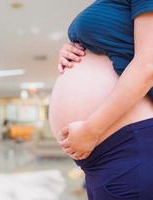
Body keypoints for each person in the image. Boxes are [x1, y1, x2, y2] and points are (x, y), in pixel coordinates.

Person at [49, 1, 153, 200]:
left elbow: (149, 65)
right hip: (107, 158)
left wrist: (92, 129)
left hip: (131, 148)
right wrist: (75, 49)